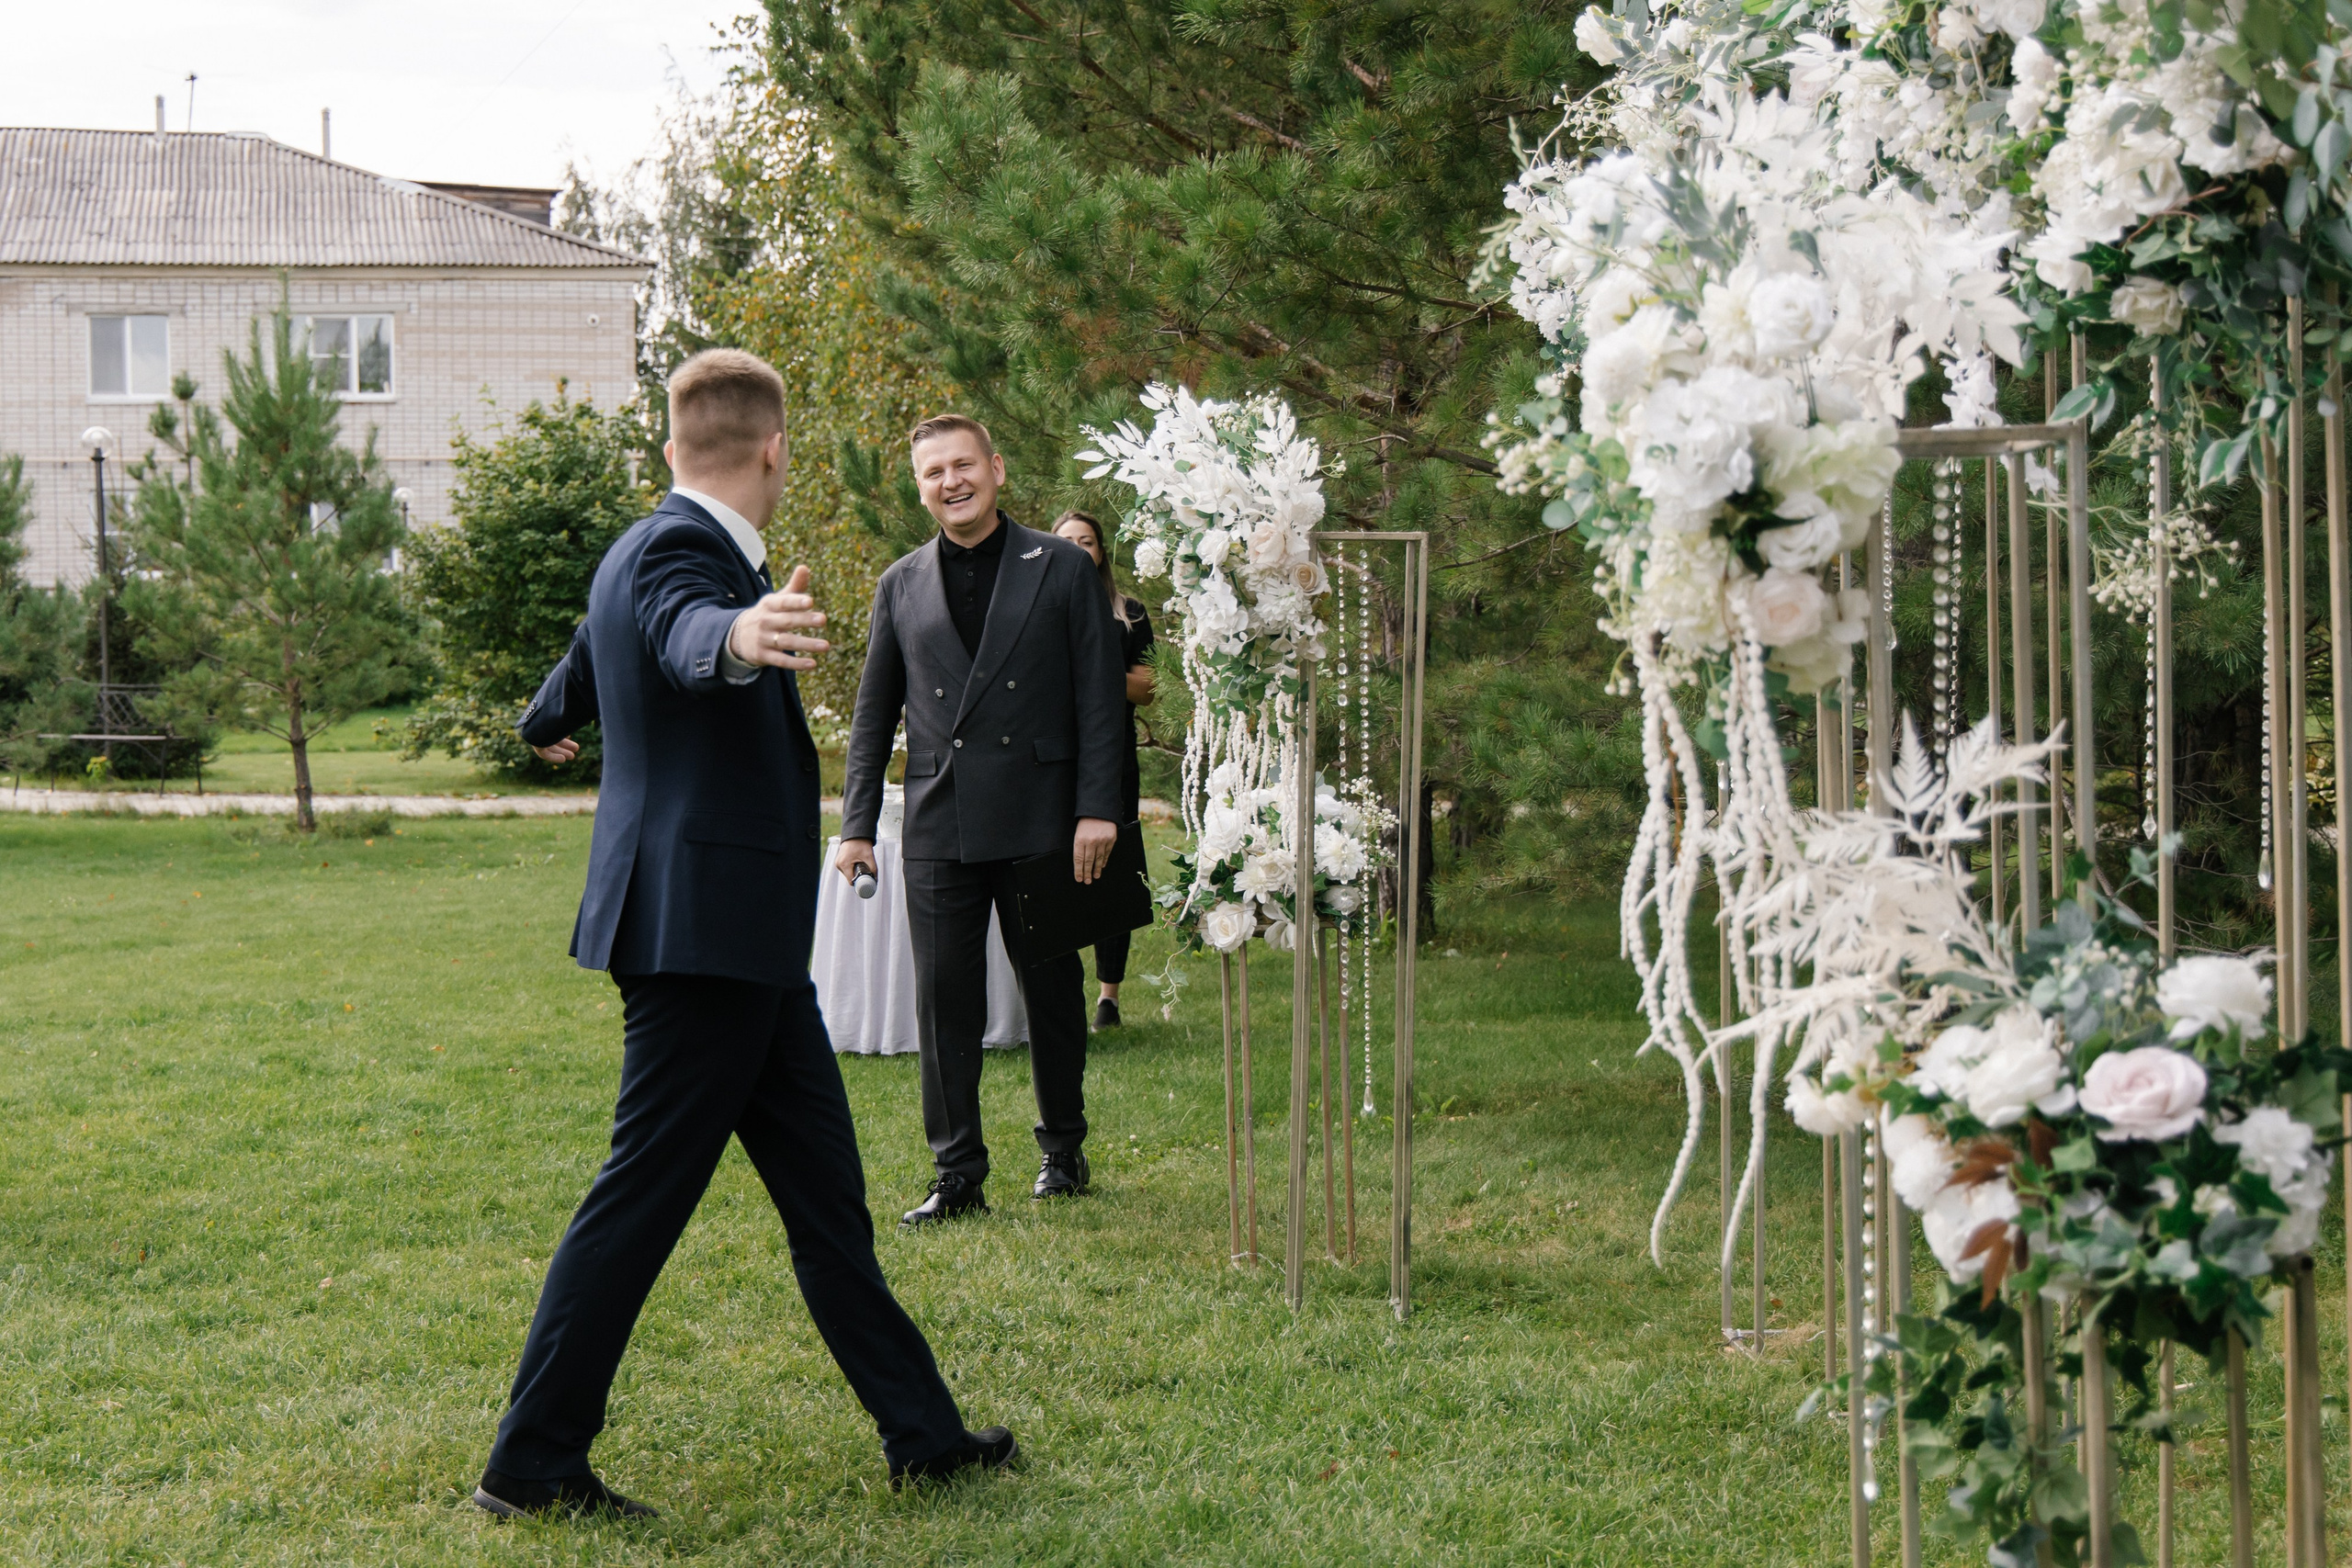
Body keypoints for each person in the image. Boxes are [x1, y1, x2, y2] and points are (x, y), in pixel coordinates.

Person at [475, 349, 1012, 1519]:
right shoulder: (686, 560)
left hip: (744, 948)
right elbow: (681, 633)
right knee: (637, 1203)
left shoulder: (636, 546)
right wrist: (738, 640)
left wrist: (546, 718)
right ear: (775, 450)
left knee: (827, 1202)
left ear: (674, 446)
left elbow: (590, 658)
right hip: (700, 940)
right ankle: (531, 1463)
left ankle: (922, 1434)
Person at [836, 414, 1125, 1224]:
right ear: (920, 487)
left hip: (1042, 816)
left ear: (996, 468)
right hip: (939, 817)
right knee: (943, 999)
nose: (950, 482)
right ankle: (957, 1172)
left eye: (963, 465)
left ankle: (1063, 1148)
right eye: (933, 472)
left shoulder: (1063, 567)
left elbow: (1099, 698)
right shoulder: (899, 582)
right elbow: (873, 715)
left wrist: (1097, 808)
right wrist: (856, 825)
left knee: (1053, 991)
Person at [1051, 511, 1155, 1029]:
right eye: (1064, 540)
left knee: (1114, 870)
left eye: (1085, 541)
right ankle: (1057, 993)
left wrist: (1094, 668)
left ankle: (1108, 997)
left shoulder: (1128, 613)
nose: (1074, 548)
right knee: (1053, 868)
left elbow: (1150, 688)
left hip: (1113, 758)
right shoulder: (1037, 608)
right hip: (1048, 760)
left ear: (1100, 552)